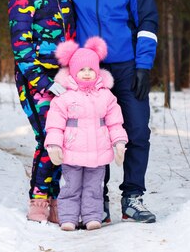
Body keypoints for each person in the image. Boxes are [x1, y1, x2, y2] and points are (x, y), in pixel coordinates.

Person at [65, 0, 159, 223]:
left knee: (137, 131)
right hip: (89, 72)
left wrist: (143, 66)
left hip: (127, 66)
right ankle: (98, 199)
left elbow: (147, 20)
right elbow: (62, 19)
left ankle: (132, 196)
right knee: (94, 133)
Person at [8, 0, 75, 223]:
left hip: (64, 76)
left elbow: (72, 38)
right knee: (48, 137)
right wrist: (42, 82)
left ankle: (56, 198)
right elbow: (20, 45)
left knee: (64, 138)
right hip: (34, 78)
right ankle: (39, 198)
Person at [45, 37, 128, 231]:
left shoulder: (106, 95)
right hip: (72, 151)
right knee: (71, 187)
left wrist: (119, 142)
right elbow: (55, 124)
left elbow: (115, 122)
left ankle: (92, 217)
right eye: (82, 69)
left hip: (98, 152)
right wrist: (54, 145)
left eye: (91, 69)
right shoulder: (64, 96)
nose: (87, 73)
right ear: (73, 71)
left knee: (93, 188)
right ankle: (68, 218)